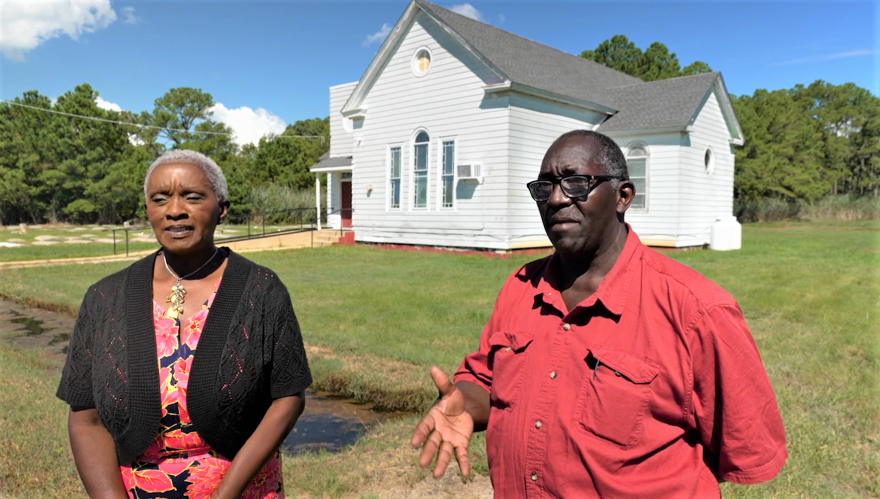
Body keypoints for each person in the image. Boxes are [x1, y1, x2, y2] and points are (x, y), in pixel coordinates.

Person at [411, 130, 787, 498]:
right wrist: (465, 407)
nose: (556, 199)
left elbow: (743, 447)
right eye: (545, 187)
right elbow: (484, 381)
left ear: (623, 196)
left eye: (576, 183)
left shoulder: (698, 311)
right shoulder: (520, 286)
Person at [57, 149, 311, 498]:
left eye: (192, 197)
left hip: (243, 489)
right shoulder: (104, 298)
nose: (175, 209)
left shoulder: (262, 290)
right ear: (148, 209)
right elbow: (86, 417)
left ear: (221, 208)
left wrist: (226, 494)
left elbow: (288, 397)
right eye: (160, 199)